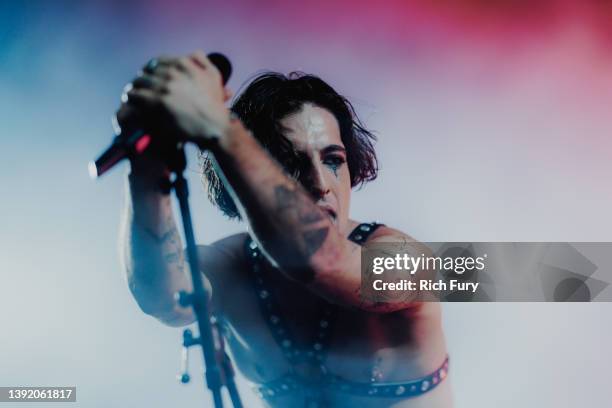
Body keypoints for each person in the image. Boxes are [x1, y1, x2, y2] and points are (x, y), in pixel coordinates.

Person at [117, 51, 452, 407]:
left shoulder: (409, 262)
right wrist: (146, 163)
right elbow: (162, 298)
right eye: (290, 163)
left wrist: (217, 126)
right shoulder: (230, 268)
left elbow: (323, 261)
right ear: (244, 176)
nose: (320, 183)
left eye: (333, 160)